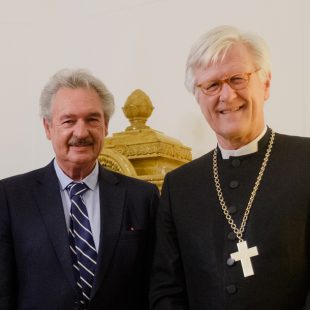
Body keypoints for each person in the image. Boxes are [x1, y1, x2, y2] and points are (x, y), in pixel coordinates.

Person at [150, 25, 310, 309]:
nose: (226, 95)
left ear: (266, 85)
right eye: (211, 85)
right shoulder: (180, 186)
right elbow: (167, 292)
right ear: (198, 97)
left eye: (237, 78)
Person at [0, 68, 159, 310]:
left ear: (105, 126)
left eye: (92, 119)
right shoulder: (10, 198)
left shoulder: (142, 198)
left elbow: (156, 287)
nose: (81, 132)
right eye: (69, 121)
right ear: (48, 127)